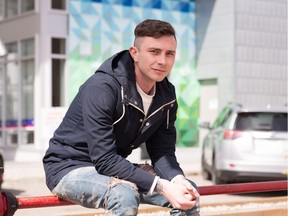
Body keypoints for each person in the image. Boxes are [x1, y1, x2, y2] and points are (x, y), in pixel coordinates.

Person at [43, 19, 200, 216]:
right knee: (123, 194)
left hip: (111, 166)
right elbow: (104, 158)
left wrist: (177, 180)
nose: (162, 61)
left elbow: (162, 151)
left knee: (189, 193)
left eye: (170, 54)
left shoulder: (166, 95)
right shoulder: (103, 87)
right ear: (134, 53)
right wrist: (160, 185)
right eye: (154, 52)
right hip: (68, 167)